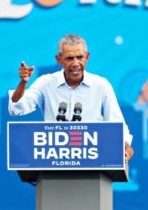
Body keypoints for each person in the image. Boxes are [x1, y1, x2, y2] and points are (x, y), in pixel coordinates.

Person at [8, 34, 134, 162]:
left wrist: (126, 147)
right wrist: (23, 83)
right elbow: (17, 108)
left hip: (94, 163)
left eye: (80, 57)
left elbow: (117, 125)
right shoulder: (46, 83)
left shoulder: (101, 85)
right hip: (54, 162)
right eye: (69, 58)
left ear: (87, 57)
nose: (75, 63)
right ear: (59, 60)